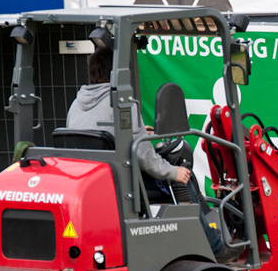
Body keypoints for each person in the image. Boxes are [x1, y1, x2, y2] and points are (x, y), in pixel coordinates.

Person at [66, 47, 227, 258]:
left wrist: (140, 133)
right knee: (184, 178)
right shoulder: (122, 105)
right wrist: (172, 172)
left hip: (93, 180)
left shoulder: (76, 105)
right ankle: (214, 246)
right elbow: (145, 157)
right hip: (124, 184)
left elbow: (107, 136)